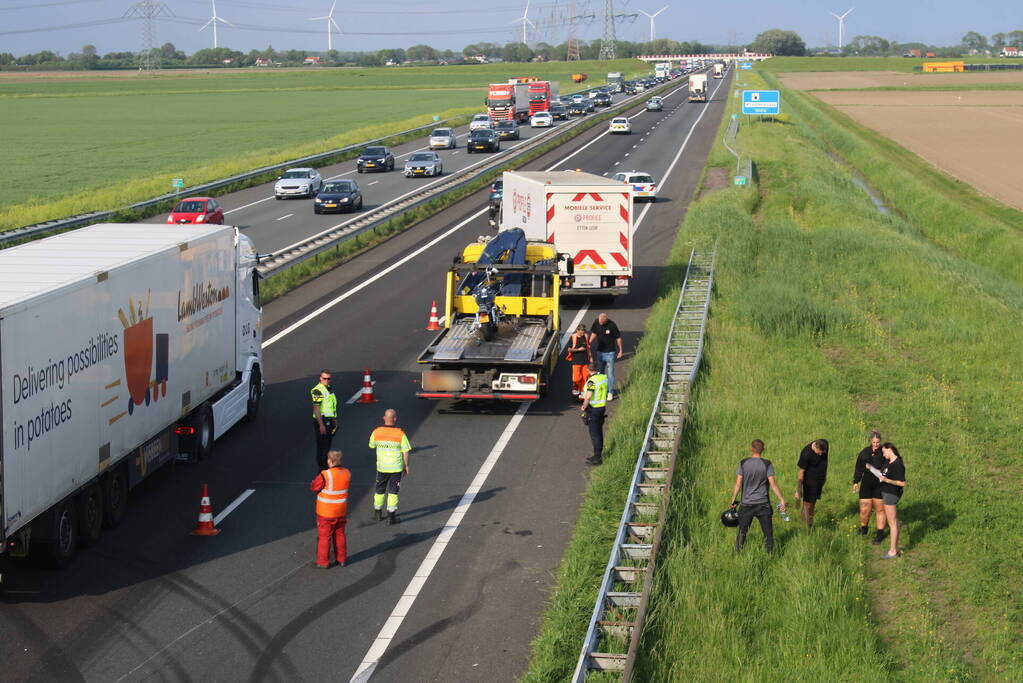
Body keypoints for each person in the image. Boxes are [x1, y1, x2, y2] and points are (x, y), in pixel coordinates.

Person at [729, 439, 788, 553]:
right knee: (768, 533)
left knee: (742, 531)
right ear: (763, 450)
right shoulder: (767, 464)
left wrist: (733, 501)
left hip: (746, 504)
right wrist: (781, 499)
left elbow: (738, 484)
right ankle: (770, 554)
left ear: (751, 449)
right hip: (763, 504)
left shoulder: (743, 463)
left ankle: (737, 553)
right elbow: (773, 484)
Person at [369, 408, 412, 525]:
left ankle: (377, 513)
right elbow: (406, 451)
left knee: (379, 490)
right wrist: (406, 466)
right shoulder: (400, 434)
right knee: (393, 492)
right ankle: (391, 517)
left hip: (382, 467)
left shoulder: (376, 432)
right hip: (396, 468)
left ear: (384, 418)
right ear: (395, 419)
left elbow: (372, 445)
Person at [309, 450, 350, 568]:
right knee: (340, 534)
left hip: (326, 513)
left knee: (324, 537)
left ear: (329, 461)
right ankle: (341, 559)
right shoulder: (347, 473)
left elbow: (314, 487)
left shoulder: (325, 475)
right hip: (341, 511)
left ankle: (323, 562)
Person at [853, 431, 887, 544]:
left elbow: (888, 468)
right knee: (864, 509)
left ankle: (880, 534)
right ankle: (864, 529)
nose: (876, 444)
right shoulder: (864, 452)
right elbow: (858, 468)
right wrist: (856, 482)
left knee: (880, 509)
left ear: (880, 441)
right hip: (866, 484)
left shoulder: (884, 452)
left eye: (878, 442)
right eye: (874, 442)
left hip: (880, 484)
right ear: (870, 441)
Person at [877, 443, 906, 559]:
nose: (883, 455)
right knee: (895, 521)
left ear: (890, 450)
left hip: (891, 494)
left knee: (892, 523)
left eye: (884, 452)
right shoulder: (888, 462)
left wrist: (887, 480)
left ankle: (893, 551)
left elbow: (902, 483)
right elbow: (883, 473)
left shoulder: (898, 464)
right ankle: (896, 548)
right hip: (886, 493)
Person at [588, 313, 624, 400]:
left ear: (606, 320)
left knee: (610, 373)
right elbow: (594, 333)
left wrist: (620, 351)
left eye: (601, 322)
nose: (600, 323)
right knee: (600, 374)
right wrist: (589, 342)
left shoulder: (612, 325)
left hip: (610, 353)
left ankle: (610, 392)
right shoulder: (597, 322)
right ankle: (602, 390)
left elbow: (618, 338)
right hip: (599, 352)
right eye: (599, 321)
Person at [795, 439, 829, 527]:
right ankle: (807, 527)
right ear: (815, 447)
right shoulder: (806, 454)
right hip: (809, 480)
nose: (821, 454)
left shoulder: (824, 444)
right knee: (807, 504)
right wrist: (799, 490)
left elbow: (825, 461)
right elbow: (801, 472)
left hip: (820, 479)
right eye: (819, 452)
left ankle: (810, 521)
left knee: (813, 502)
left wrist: (824, 476)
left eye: (823, 452)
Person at [580, 361, 609, 465]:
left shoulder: (591, 381)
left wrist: (583, 407)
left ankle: (597, 458)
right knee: (599, 432)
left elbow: (588, 396)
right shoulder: (603, 377)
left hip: (593, 410)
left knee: (594, 434)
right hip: (602, 408)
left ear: (588, 370)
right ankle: (597, 455)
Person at [311, 370, 338, 471]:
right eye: (324, 378)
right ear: (320, 378)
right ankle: (322, 470)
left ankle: (324, 469)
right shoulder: (317, 390)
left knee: (327, 446)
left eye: (328, 379)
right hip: (322, 421)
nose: (326, 380)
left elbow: (332, 406)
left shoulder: (329, 389)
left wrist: (335, 420)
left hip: (329, 421)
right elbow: (316, 408)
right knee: (322, 447)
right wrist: (321, 425)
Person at [566, 324, 592, 398]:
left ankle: (583, 395)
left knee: (585, 378)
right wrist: (578, 350)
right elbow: (569, 349)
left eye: (584, 331)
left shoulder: (586, 336)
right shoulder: (573, 337)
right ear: (578, 330)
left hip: (585, 361)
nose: (583, 332)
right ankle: (576, 394)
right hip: (576, 361)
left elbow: (588, 348)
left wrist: (591, 357)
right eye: (582, 331)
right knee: (577, 378)